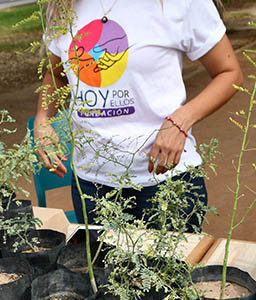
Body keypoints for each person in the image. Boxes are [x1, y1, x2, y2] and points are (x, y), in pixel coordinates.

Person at [33, 0, 242, 230]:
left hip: (165, 183)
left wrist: (181, 120)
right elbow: (57, 75)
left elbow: (229, 72)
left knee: (169, 267)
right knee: (101, 267)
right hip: (91, 188)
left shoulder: (181, 3)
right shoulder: (66, 5)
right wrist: (43, 120)